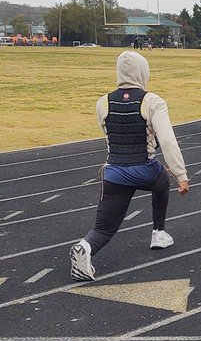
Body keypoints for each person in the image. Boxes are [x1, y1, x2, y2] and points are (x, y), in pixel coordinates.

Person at [70, 50, 189, 281]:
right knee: (162, 180)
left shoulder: (102, 102)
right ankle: (158, 233)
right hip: (144, 169)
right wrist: (180, 175)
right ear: (143, 71)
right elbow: (166, 140)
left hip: (113, 173)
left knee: (104, 228)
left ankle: (85, 246)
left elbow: (109, 135)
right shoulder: (153, 101)